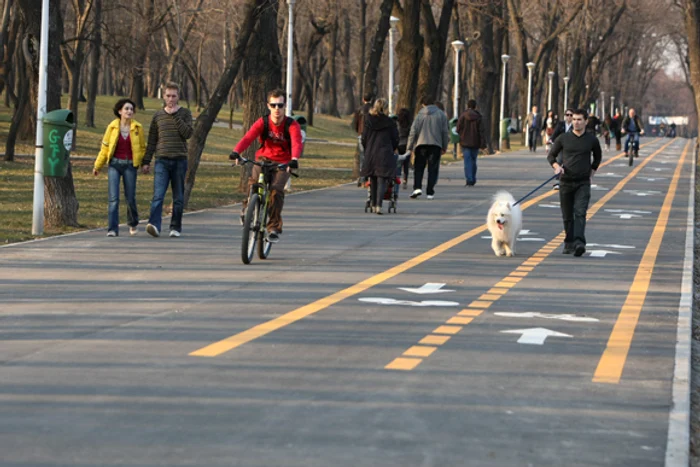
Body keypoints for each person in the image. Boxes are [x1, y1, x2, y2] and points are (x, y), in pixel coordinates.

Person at [229, 89, 302, 242]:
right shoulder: (263, 122)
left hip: (283, 162)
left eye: (280, 105)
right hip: (263, 158)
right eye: (273, 105)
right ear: (268, 106)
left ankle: (274, 227)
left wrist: (294, 159)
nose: (277, 109)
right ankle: (247, 209)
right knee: (254, 183)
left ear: (285, 106)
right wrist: (236, 152)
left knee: (276, 191)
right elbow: (249, 137)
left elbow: (296, 142)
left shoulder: (291, 124)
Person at [547, 108, 602, 257]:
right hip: (565, 182)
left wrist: (592, 173)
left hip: (583, 183)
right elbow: (551, 156)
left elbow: (597, 157)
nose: (576, 122)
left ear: (585, 121)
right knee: (567, 215)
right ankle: (569, 242)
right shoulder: (563, 138)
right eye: (574, 119)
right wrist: (557, 167)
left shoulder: (591, 139)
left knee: (580, 212)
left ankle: (579, 243)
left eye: (579, 119)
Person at [142, 82, 193, 238]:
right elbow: (152, 139)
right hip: (162, 160)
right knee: (158, 195)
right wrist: (146, 161)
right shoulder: (158, 116)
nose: (171, 99)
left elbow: (187, 133)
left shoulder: (185, 113)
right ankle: (154, 225)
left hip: (179, 160)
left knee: (178, 197)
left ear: (178, 97)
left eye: (174, 96)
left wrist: (175, 116)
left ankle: (175, 227)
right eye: (168, 96)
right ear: (163, 96)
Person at [93, 98, 146, 237]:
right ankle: (112, 229)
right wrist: (97, 166)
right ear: (120, 111)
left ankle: (133, 223)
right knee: (113, 199)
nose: (129, 111)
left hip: (130, 165)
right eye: (126, 109)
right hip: (114, 165)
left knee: (130, 197)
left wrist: (143, 164)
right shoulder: (112, 127)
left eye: (131, 109)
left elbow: (142, 148)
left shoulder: (137, 128)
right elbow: (104, 148)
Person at [406, 95, 449, 200]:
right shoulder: (441, 115)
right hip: (436, 145)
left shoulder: (420, 115)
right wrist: (444, 146)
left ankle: (417, 187)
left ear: (423, 104)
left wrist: (410, 146)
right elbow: (444, 132)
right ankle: (430, 191)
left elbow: (413, 131)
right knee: (433, 169)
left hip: (421, 145)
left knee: (419, 167)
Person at [360, 98, 399, 215]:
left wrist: (367, 148)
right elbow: (395, 138)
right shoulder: (390, 122)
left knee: (373, 178)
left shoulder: (368, 120)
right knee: (382, 179)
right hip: (385, 152)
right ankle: (379, 205)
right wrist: (392, 148)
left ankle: (372, 204)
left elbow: (364, 138)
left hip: (371, 152)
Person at [457, 99, 486, 187]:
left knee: (467, 161)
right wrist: (483, 143)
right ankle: (473, 177)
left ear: (467, 106)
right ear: (475, 106)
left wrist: (462, 135)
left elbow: (458, 128)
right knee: (473, 160)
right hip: (475, 141)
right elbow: (481, 131)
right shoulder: (478, 117)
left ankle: (469, 179)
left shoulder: (463, 116)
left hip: (465, 141)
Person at [548, 108, 574, 190]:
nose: (569, 117)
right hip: (561, 147)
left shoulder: (575, 125)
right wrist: (551, 139)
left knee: (569, 164)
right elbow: (555, 133)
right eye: (567, 115)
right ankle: (558, 181)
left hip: (571, 148)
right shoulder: (561, 124)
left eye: (571, 115)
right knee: (558, 162)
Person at [351, 93, 374, 186]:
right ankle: (370, 177)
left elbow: (355, 124)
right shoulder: (373, 110)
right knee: (371, 156)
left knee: (362, 156)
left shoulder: (359, 110)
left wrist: (359, 131)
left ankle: (362, 177)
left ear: (363, 99)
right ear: (371, 99)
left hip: (362, 134)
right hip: (371, 136)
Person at [396, 107, 413, 189]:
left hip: (398, 144)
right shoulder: (410, 124)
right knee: (406, 164)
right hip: (407, 145)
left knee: (398, 163)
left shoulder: (397, 123)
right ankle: (405, 180)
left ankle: (397, 177)